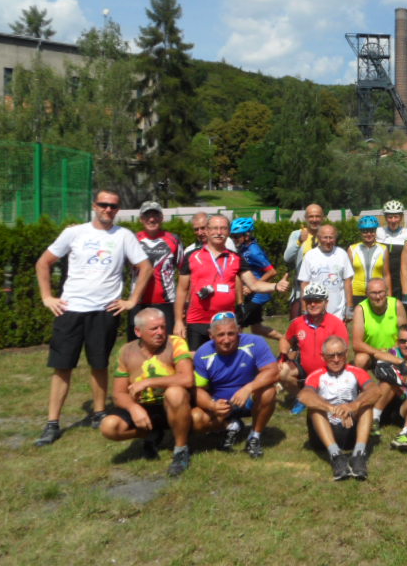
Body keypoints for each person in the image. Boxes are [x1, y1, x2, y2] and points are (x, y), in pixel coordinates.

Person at [34, 189, 153, 446]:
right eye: (103, 204)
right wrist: (47, 297)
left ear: (117, 209)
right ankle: (52, 423)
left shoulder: (124, 236)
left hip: (104, 311)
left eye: (113, 206)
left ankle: (99, 414)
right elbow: (43, 262)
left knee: (99, 364)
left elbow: (145, 267)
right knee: (62, 366)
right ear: (95, 206)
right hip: (71, 310)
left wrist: (132, 300)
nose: (108, 209)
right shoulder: (74, 233)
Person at [99, 307, 194, 477]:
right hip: (143, 407)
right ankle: (150, 433)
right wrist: (133, 408)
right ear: (138, 332)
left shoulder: (175, 343)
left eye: (163, 327)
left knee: (175, 393)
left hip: (171, 405)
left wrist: (148, 382)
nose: (160, 332)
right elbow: (118, 393)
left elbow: (187, 379)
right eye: (154, 329)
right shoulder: (126, 351)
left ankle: (181, 450)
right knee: (109, 427)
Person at [174, 214, 288, 350]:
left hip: (226, 323)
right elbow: (181, 290)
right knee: (197, 359)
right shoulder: (191, 256)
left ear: (228, 232)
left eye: (223, 228)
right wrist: (178, 321)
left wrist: (276, 286)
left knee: (227, 361)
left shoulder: (236, 258)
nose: (218, 232)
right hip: (197, 321)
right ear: (207, 231)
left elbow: (254, 284)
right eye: (214, 228)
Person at [191, 312, 279, 458]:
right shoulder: (203, 353)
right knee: (195, 419)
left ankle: (254, 437)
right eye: (220, 335)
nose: (226, 340)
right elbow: (197, 389)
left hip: (249, 399)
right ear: (211, 335)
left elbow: (273, 371)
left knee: (269, 391)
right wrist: (212, 405)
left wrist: (248, 388)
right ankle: (230, 424)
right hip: (221, 404)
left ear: (239, 331)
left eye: (231, 334)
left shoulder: (255, 343)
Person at [299, 335, 379, 480]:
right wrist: (331, 408)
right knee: (315, 408)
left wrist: (353, 406)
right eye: (331, 356)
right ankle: (335, 455)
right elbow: (304, 396)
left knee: (366, 403)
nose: (336, 359)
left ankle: (359, 454)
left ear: (346, 354)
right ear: (323, 357)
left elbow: (375, 391)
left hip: (350, 429)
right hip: (324, 431)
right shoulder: (316, 375)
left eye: (340, 354)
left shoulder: (356, 372)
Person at [279, 283, 350, 409]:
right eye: (309, 301)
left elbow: (344, 354)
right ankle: (301, 398)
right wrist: (283, 356)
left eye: (317, 301)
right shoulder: (298, 322)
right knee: (282, 371)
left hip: (329, 372)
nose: (312, 304)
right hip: (303, 369)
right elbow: (285, 339)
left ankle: (318, 394)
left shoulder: (337, 324)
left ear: (326, 303)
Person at [128, 200, 183, 339]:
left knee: (166, 345)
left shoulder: (174, 240)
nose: (151, 219)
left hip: (166, 303)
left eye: (155, 215)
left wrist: (184, 303)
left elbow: (184, 272)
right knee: (137, 346)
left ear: (162, 218)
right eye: (147, 215)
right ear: (141, 219)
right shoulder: (132, 240)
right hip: (138, 303)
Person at [370, 323, 407, 453]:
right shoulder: (393, 353)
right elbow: (377, 355)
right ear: (397, 341)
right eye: (402, 341)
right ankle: (373, 421)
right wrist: (401, 363)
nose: (406, 345)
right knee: (388, 381)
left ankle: (405, 435)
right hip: (388, 400)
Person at [230, 217, 283, 341]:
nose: (234, 239)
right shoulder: (244, 248)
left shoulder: (253, 251)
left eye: (237, 236)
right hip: (253, 294)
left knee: (237, 324)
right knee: (257, 328)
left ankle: (234, 351)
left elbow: (272, 271)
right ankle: (287, 341)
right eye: (232, 236)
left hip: (258, 294)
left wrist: (251, 287)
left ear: (247, 235)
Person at [297, 224, 354, 322]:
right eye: (325, 237)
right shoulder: (310, 256)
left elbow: (347, 282)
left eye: (331, 237)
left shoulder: (342, 254)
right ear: (319, 238)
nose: (328, 241)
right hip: (315, 310)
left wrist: (349, 307)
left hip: (338, 311)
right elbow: (304, 284)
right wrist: (304, 308)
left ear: (335, 238)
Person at [352, 277, 407, 370]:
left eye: (381, 292)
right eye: (373, 293)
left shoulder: (396, 305)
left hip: (394, 352)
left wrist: (391, 352)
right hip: (371, 354)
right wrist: (380, 353)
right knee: (360, 359)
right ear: (366, 294)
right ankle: (361, 379)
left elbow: (405, 335)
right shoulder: (360, 309)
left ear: (386, 292)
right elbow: (356, 344)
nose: (378, 297)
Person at [283, 203, 324, 318]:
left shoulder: (326, 235)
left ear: (323, 218)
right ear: (305, 218)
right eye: (311, 216)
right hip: (300, 289)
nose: (314, 220)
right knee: (299, 324)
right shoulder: (296, 234)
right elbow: (287, 258)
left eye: (317, 216)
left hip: (322, 289)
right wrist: (299, 241)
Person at [377, 200, 407, 302]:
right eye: (390, 217)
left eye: (396, 217)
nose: (393, 220)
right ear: (385, 218)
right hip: (382, 278)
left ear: (401, 217)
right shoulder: (378, 232)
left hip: (401, 279)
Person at [349, 216, 390, 304]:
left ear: (375, 232)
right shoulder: (352, 249)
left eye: (372, 231)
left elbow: (386, 275)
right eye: (365, 231)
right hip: (356, 293)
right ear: (360, 232)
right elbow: (348, 276)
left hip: (377, 292)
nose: (368, 234)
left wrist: (389, 297)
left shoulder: (383, 249)